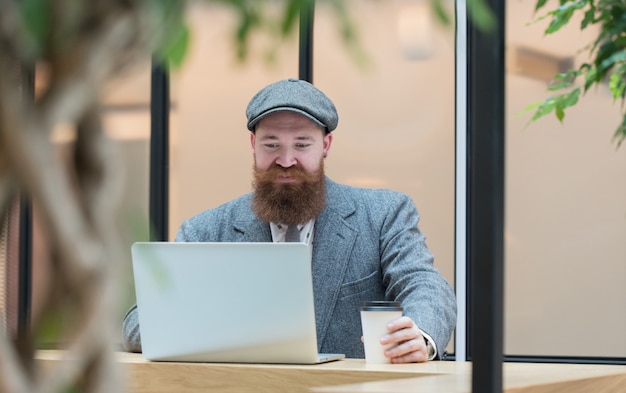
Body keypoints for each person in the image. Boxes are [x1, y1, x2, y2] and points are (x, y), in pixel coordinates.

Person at [122, 78, 457, 363]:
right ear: (253, 145)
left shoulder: (384, 214)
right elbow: (138, 324)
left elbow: (426, 286)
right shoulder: (205, 230)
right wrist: (214, 323)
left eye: (301, 144)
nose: (286, 160)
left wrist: (420, 336)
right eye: (272, 144)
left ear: (325, 145)